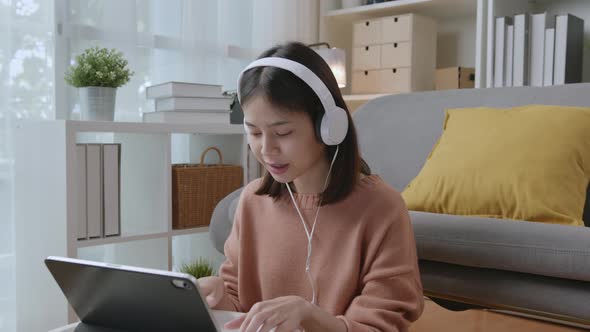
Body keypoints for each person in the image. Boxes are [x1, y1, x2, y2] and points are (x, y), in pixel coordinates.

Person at [198, 41, 424, 332]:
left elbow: (382, 325)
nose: (267, 149)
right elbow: (240, 307)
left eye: (282, 132)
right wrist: (218, 296)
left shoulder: (382, 208)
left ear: (327, 126)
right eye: (254, 132)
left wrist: (311, 316)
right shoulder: (252, 201)